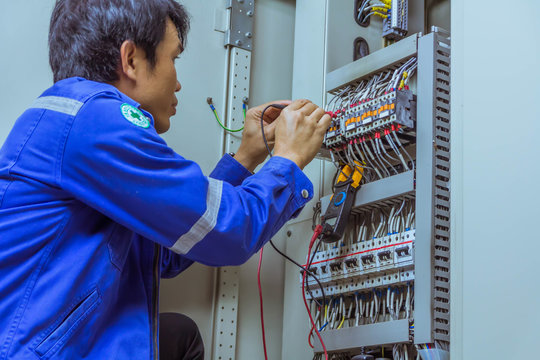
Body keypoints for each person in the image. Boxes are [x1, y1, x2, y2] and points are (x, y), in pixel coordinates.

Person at [0, 0, 331, 359]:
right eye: (173, 58)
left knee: (180, 335)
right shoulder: (95, 123)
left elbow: (166, 252)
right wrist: (290, 159)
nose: (177, 82)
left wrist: (248, 156)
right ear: (130, 60)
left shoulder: (75, 118)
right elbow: (228, 231)